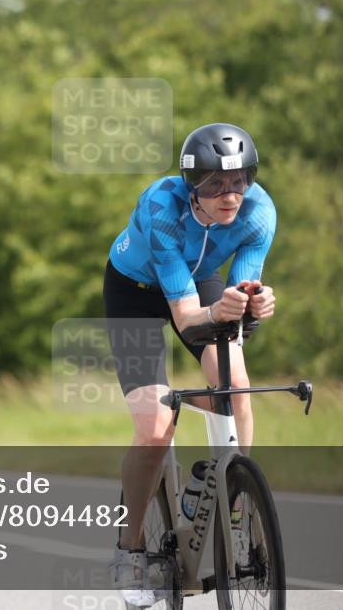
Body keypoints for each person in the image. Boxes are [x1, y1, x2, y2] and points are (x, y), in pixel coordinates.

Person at [103, 123, 276, 606]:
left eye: (240, 180)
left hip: (199, 280)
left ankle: (235, 497)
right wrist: (221, 312)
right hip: (135, 292)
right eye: (216, 185)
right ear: (190, 184)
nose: (230, 195)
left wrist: (252, 305)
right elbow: (186, 317)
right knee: (156, 426)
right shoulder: (162, 207)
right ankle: (129, 546)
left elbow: (239, 299)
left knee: (235, 381)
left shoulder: (261, 211)